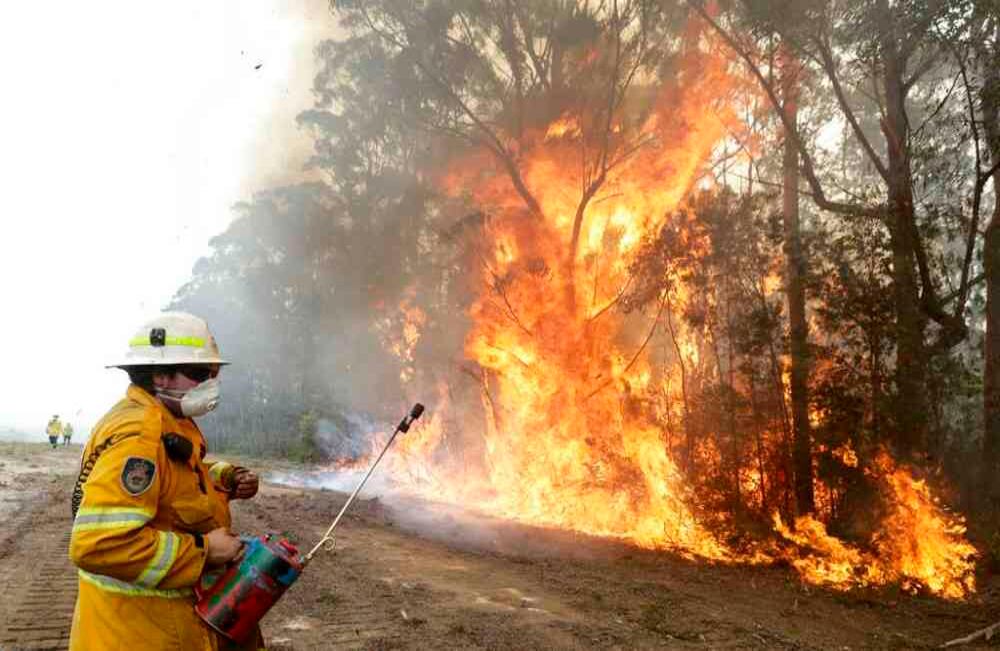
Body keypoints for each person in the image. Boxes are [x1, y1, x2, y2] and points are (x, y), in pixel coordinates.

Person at [68, 311, 263, 650]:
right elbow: (98, 545)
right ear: (160, 376)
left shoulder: (169, 419)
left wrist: (226, 478)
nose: (210, 383)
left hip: (157, 625)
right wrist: (204, 551)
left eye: (213, 373)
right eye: (199, 373)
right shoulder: (139, 435)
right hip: (141, 633)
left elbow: (179, 476)